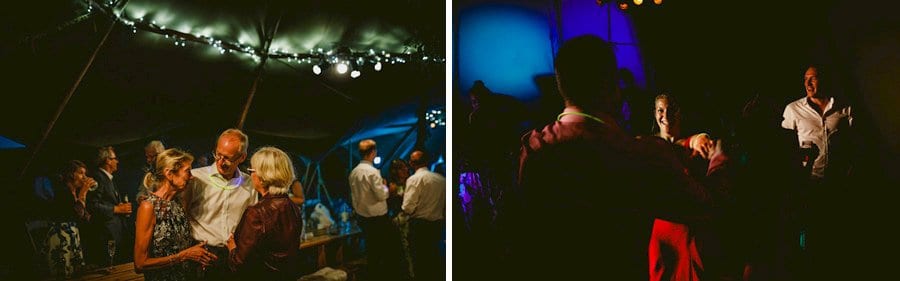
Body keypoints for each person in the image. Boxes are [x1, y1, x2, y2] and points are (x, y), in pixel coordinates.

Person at [511, 35, 729, 280]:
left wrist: (692, 140)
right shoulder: (636, 154)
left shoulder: (533, 148)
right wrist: (719, 158)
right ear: (610, 85)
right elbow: (707, 205)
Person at [781, 63, 855, 279]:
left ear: (824, 79)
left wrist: (851, 168)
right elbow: (783, 147)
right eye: (805, 78)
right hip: (807, 184)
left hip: (838, 185)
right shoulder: (793, 110)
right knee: (808, 235)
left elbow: (855, 142)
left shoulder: (844, 108)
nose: (808, 83)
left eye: (813, 78)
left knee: (836, 236)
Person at [183, 129, 258, 280]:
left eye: (227, 158)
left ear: (242, 157)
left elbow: (252, 222)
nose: (220, 161)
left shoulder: (249, 184)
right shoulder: (196, 178)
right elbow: (182, 215)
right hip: (201, 254)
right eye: (218, 154)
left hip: (233, 255)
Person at [134, 148, 218, 281]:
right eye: (187, 171)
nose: (191, 176)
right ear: (169, 174)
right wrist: (183, 256)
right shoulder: (148, 207)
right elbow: (140, 264)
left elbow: (180, 247)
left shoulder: (178, 202)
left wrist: (199, 254)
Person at [225, 147, 303, 280]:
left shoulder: (257, 213)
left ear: (262, 177)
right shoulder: (292, 206)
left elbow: (239, 263)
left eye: (251, 171)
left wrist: (232, 247)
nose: (250, 176)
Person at [348, 139, 401, 280]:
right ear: (372, 152)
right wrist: (386, 187)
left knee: (371, 251)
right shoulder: (372, 172)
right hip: (378, 219)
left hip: (363, 218)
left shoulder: (353, 172)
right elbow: (381, 195)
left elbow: (354, 197)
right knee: (384, 252)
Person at [43, 160, 95, 278]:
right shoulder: (62, 191)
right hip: (61, 237)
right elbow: (76, 214)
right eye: (81, 173)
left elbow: (84, 218)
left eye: (85, 174)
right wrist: (83, 193)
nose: (84, 177)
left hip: (71, 235)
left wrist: (83, 197)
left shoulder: (75, 193)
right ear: (71, 174)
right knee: (63, 273)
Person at [85, 146, 132, 266]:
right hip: (106, 233)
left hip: (114, 232)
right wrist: (116, 209)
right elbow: (92, 205)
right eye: (115, 158)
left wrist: (121, 207)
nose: (117, 161)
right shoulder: (98, 177)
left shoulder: (108, 178)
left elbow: (107, 201)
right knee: (110, 266)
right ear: (108, 160)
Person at [403, 150, 446, 281]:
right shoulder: (441, 180)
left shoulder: (414, 179)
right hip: (437, 225)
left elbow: (408, 208)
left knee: (420, 262)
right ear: (427, 162)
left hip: (419, 227)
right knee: (435, 259)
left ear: (411, 164)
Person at [388, 159, 414, 279]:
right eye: (401, 168)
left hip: (412, 219)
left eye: (405, 167)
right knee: (403, 249)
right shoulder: (392, 186)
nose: (405, 170)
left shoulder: (411, 182)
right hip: (399, 220)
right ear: (395, 171)